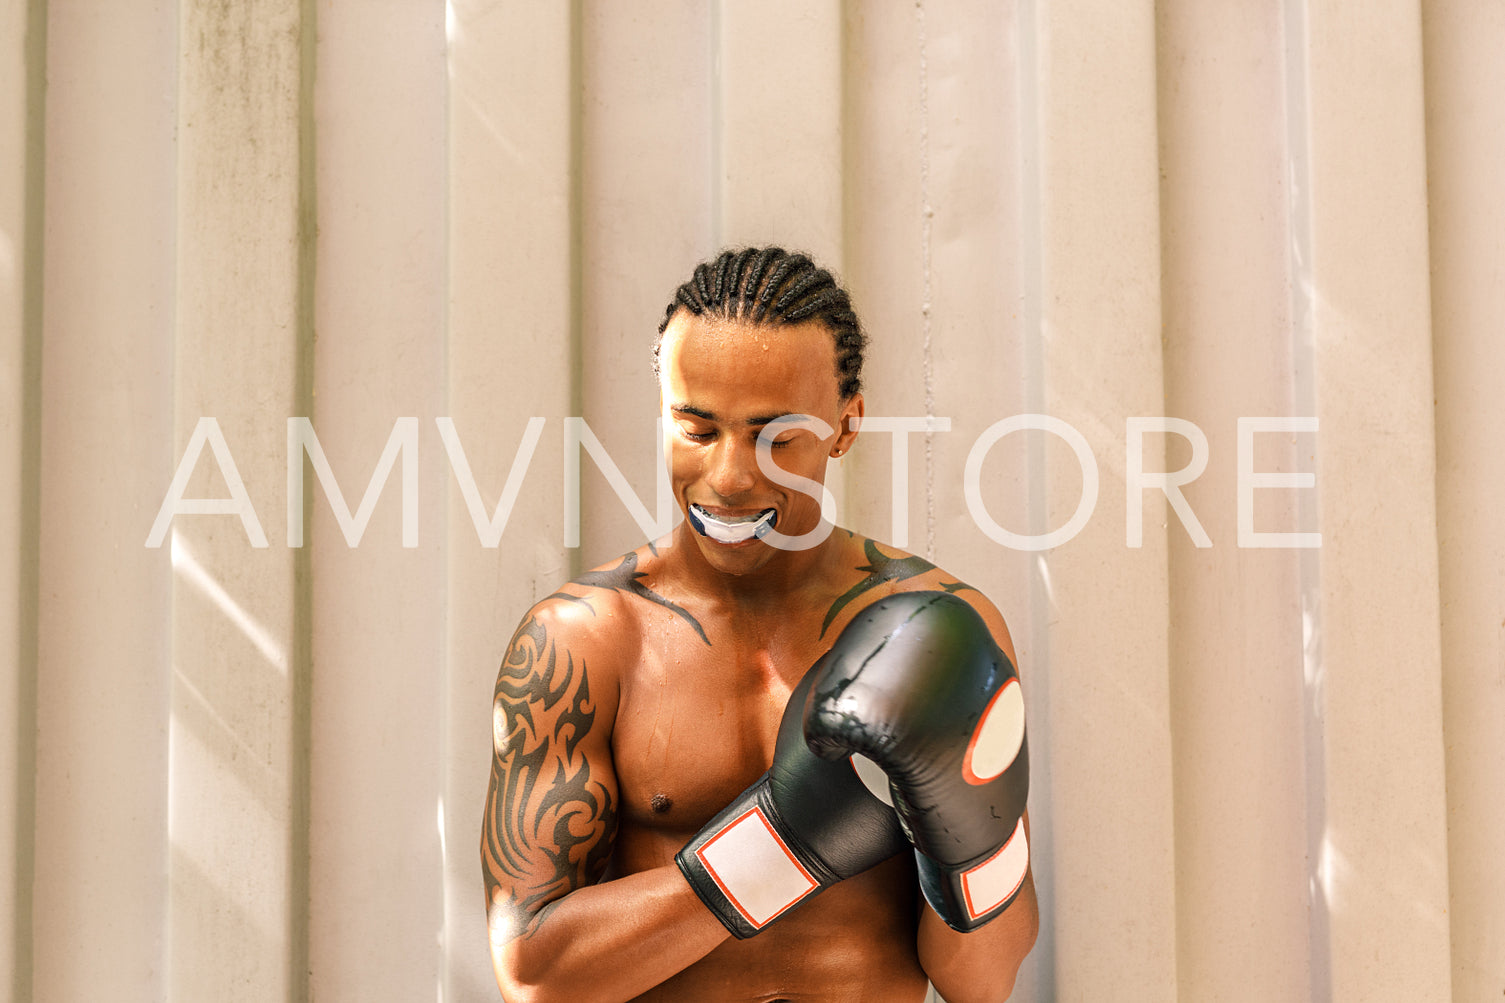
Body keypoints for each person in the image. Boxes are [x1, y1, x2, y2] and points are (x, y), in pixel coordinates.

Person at [482, 247, 1039, 1002]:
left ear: (846, 425)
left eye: (777, 435)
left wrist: (972, 841)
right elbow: (536, 973)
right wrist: (785, 841)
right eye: (697, 429)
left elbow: (982, 981)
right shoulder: (583, 641)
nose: (732, 477)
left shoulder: (933, 631)